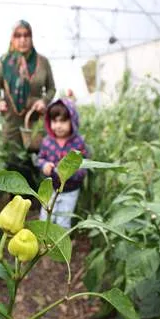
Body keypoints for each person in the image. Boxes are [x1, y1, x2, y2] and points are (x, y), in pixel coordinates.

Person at [0, 20, 56, 192]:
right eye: (18, 35)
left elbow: (51, 89)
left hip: (34, 119)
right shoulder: (3, 63)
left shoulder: (42, 62)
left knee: (34, 159)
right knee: (12, 159)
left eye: (26, 35)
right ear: (12, 39)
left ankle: (36, 201)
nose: (22, 40)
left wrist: (44, 101)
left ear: (32, 38)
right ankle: (15, 201)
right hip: (12, 119)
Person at [37, 98, 89, 229]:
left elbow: (83, 168)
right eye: (54, 121)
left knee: (63, 222)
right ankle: (44, 244)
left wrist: (67, 173)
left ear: (72, 121)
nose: (58, 125)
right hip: (50, 189)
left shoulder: (78, 143)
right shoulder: (47, 142)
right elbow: (40, 159)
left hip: (70, 191)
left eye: (63, 121)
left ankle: (60, 245)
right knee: (45, 218)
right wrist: (44, 166)